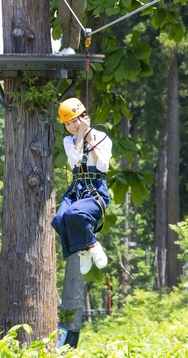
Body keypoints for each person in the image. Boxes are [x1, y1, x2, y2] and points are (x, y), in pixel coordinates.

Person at [51, 97, 112, 274]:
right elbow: (75, 161)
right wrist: (80, 136)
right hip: (77, 188)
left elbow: (103, 166)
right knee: (60, 219)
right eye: (68, 124)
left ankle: (91, 244)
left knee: (74, 214)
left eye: (75, 121)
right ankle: (86, 248)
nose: (72, 126)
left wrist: (90, 140)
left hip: (96, 189)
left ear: (84, 118)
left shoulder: (102, 137)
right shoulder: (69, 141)